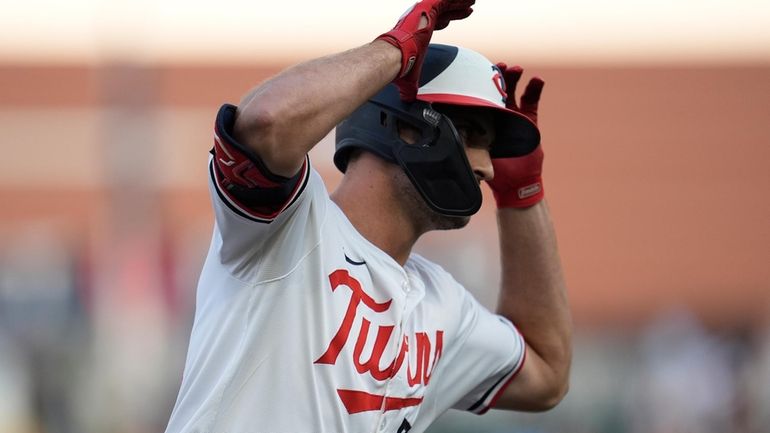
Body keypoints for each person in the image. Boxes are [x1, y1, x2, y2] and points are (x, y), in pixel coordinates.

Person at [165, 1, 572, 432]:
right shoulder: (290, 228)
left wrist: (521, 195)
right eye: (472, 136)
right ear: (405, 126)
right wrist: (397, 50)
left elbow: (547, 373)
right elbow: (264, 123)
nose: (487, 167)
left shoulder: (442, 304)